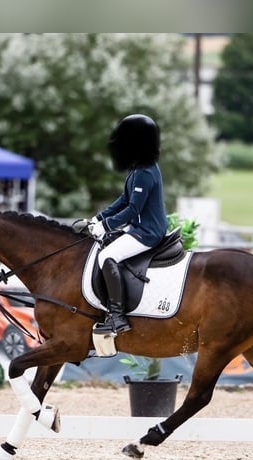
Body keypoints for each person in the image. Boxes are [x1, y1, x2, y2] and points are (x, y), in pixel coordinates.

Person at [83, 113, 168, 335]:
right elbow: (124, 199)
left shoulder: (145, 173)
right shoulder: (138, 167)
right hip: (139, 228)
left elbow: (133, 209)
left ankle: (117, 315)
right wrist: (99, 218)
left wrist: (107, 226)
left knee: (106, 257)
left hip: (147, 232)